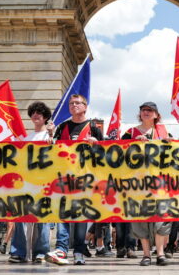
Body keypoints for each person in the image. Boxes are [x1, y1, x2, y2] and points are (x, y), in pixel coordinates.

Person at [44, 94, 104, 266]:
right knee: (63, 215)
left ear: (85, 107)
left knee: (80, 218)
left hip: (86, 180)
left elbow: (107, 153)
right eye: (71, 104)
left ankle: (79, 251)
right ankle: (62, 249)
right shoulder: (62, 126)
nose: (74, 106)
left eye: (78, 103)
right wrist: (49, 137)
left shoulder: (93, 127)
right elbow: (52, 150)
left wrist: (97, 144)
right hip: (64, 179)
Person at [122, 102, 171, 266]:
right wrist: (133, 144)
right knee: (141, 220)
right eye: (143, 110)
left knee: (161, 220)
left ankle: (160, 254)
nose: (146, 112)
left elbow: (175, 152)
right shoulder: (130, 132)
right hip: (138, 185)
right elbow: (117, 152)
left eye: (150, 110)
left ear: (156, 115)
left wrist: (173, 142)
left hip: (160, 184)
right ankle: (146, 254)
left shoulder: (163, 132)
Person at [8, 101, 53, 263]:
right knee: (21, 217)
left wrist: (52, 138)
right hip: (26, 183)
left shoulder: (49, 136)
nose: (36, 114)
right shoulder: (27, 138)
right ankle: (18, 252)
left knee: (42, 218)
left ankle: (41, 252)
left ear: (45, 117)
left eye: (39, 112)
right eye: (33, 112)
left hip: (44, 183)